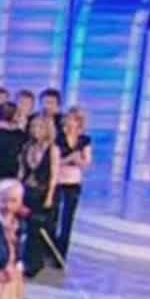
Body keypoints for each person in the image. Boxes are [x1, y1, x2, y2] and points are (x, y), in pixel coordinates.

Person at [20, 115, 60, 278]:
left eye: (39, 127)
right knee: (25, 228)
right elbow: (22, 171)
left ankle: (34, 263)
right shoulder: (27, 147)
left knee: (37, 230)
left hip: (43, 193)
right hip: (27, 190)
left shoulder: (53, 150)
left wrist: (49, 196)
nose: (35, 130)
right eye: (33, 127)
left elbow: (54, 175)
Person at [54, 108, 92, 262]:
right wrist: (70, 158)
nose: (70, 122)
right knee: (54, 217)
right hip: (57, 181)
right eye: (68, 118)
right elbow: (54, 161)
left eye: (75, 119)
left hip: (74, 183)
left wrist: (78, 160)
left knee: (67, 219)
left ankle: (61, 254)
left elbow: (86, 163)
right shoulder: (58, 138)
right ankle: (50, 249)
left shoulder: (84, 140)